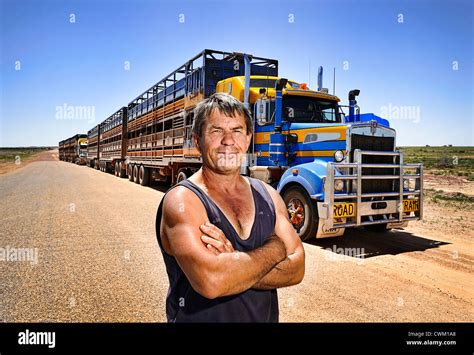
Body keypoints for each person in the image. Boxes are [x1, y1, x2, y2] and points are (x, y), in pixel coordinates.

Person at [155, 93, 305, 322]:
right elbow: (212, 281)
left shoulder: (269, 196)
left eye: (236, 130)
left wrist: (233, 262)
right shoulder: (183, 201)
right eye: (216, 131)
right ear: (197, 140)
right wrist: (275, 250)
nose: (228, 140)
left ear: (248, 138)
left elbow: (297, 269)